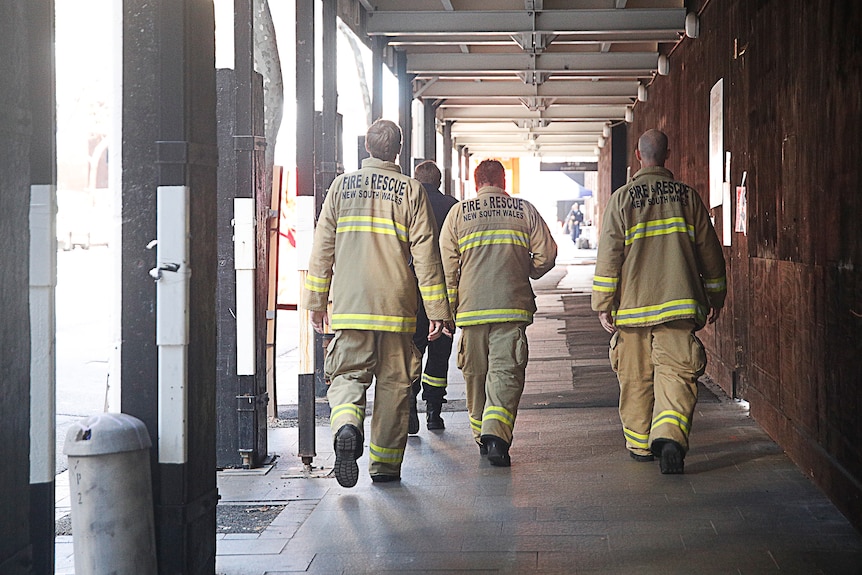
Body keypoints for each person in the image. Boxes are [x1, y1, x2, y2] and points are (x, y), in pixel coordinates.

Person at [301, 119, 452, 487]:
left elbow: (322, 249)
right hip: (396, 306)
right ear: (397, 150)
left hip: (351, 305)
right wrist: (437, 312)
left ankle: (347, 425)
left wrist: (316, 301)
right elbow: (427, 256)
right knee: (395, 385)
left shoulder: (340, 187)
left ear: (368, 147)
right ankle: (384, 466)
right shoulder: (411, 190)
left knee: (348, 374)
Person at [591, 129, 727, 475]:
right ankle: (669, 438)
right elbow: (709, 252)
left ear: (638, 157)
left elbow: (609, 255)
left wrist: (603, 302)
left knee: (634, 377)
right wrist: (716, 294)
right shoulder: (687, 197)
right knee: (677, 374)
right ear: (668, 155)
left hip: (634, 309)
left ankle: (639, 444)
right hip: (679, 305)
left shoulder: (622, 200)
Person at [439, 159, 557, 467]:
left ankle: (482, 436)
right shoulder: (524, 210)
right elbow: (548, 253)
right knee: (505, 374)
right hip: (511, 307)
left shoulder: (458, 214)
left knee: (475, 376)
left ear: (476, 183)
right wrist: (526, 269)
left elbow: (447, 269)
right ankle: (497, 436)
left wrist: (446, 311)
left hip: (471, 310)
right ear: (503, 182)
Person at [408, 160, 459, 434]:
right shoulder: (453, 205)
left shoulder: (408, 201)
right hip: (445, 294)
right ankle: (433, 412)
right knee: (440, 352)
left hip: (413, 294)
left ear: (417, 180)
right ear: (438, 182)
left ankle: (409, 402)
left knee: (413, 350)